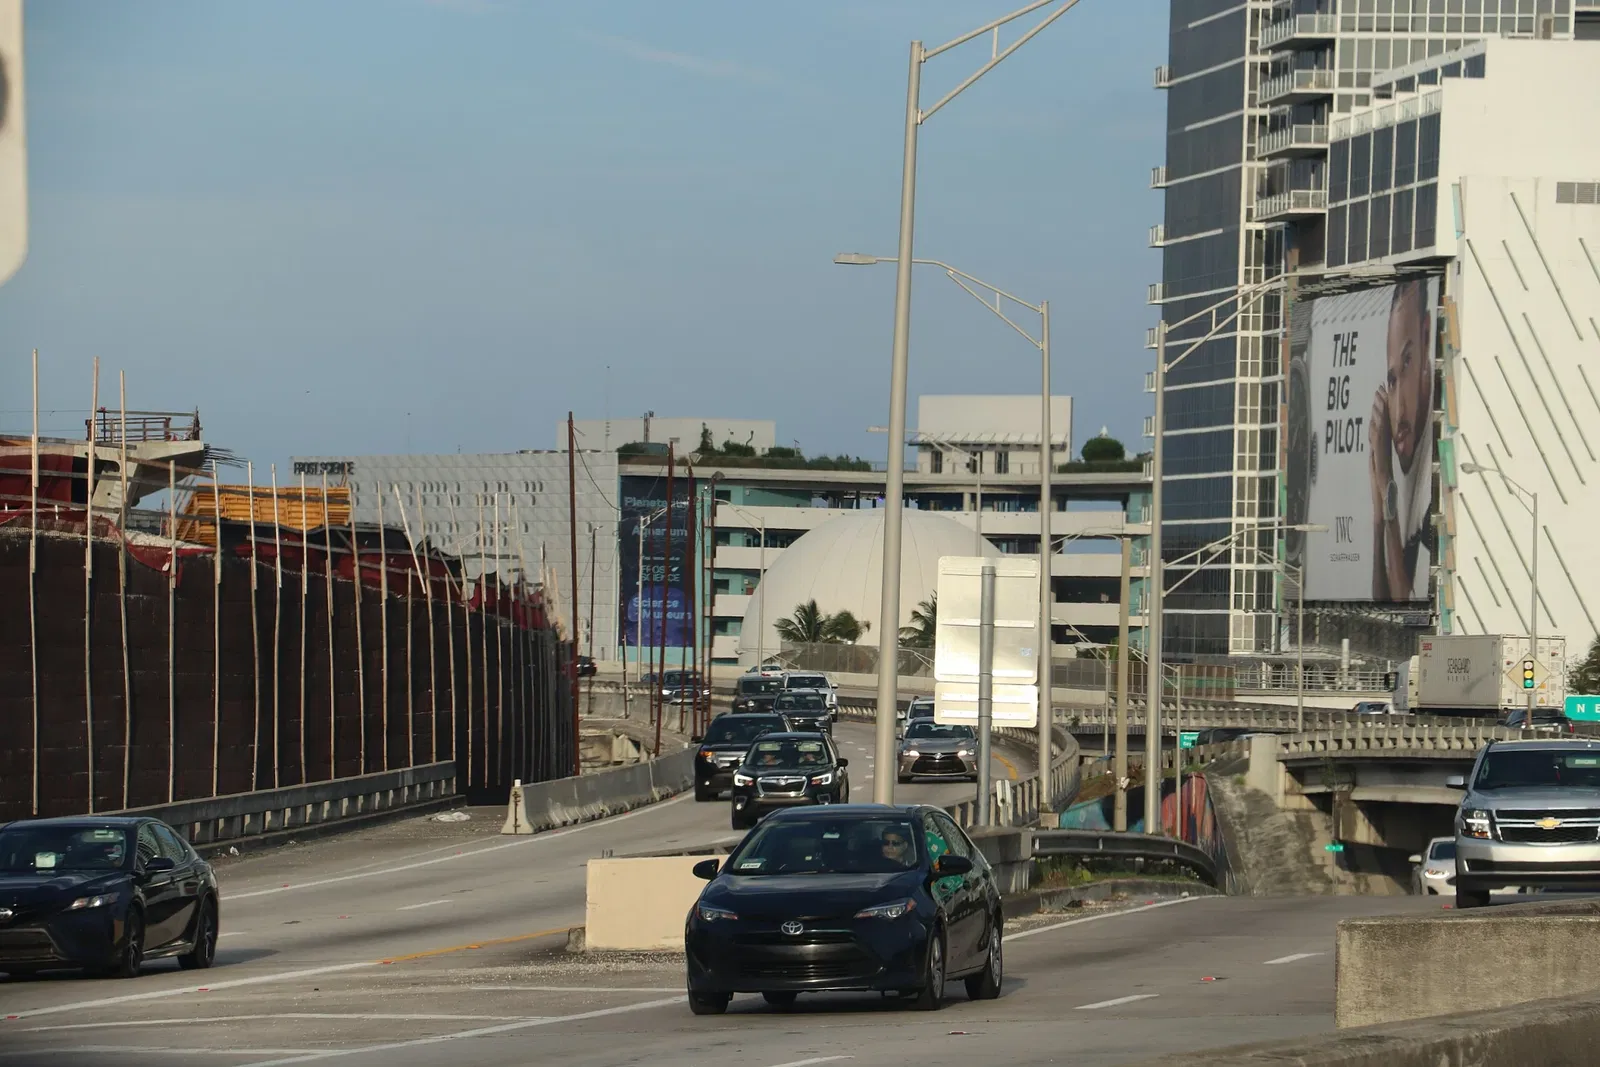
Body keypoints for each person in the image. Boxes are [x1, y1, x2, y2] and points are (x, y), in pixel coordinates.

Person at [1368, 278, 1434, 601]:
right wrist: (1379, 516)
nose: (1398, 409)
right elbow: (1381, 607)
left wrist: (1386, 482)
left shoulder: (1436, 469)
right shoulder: (1405, 475)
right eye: (1391, 380)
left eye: (1408, 362)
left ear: (1426, 337)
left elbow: (1404, 601)